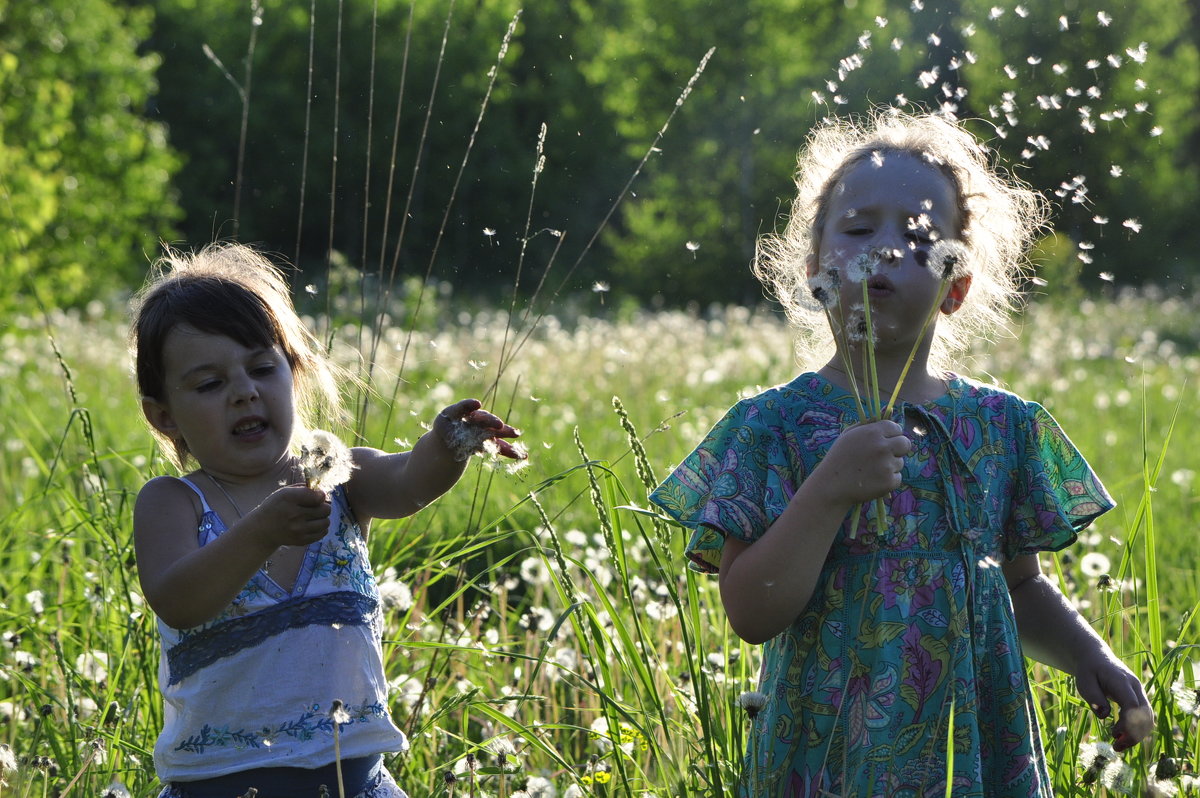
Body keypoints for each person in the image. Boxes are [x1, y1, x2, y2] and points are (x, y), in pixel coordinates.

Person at [649, 111, 1152, 797]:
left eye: (919, 237)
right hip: (828, 751)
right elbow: (751, 610)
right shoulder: (775, 427)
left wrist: (1087, 655)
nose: (884, 248)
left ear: (956, 286)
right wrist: (828, 492)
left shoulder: (999, 427)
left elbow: (1019, 584)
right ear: (813, 267)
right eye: (858, 229)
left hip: (966, 753)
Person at [130, 242, 525, 798]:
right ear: (164, 415)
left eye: (262, 367)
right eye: (210, 384)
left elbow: (410, 480)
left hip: (355, 783)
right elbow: (178, 598)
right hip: (220, 787)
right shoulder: (173, 501)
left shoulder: (342, 474)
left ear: (295, 373)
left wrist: (447, 443)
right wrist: (260, 533)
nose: (244, 391)